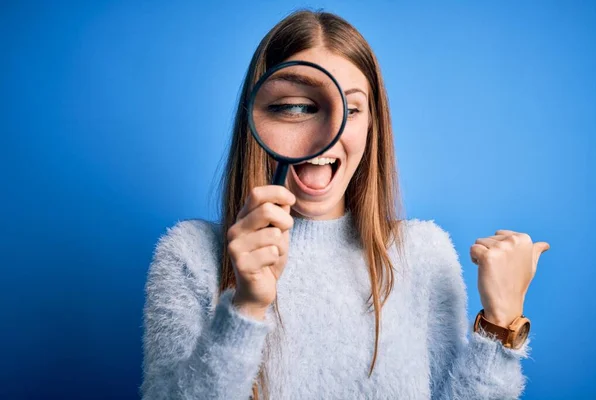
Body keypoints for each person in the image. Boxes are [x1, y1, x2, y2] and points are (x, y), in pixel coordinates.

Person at [141, 10, 549, 400]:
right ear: (257, 116)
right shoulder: (190, 255)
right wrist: (245, 308)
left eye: (351, 109)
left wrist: (501, 324)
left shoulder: (424, 254)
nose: (326, 137)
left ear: (373, 125)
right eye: (296, 106)